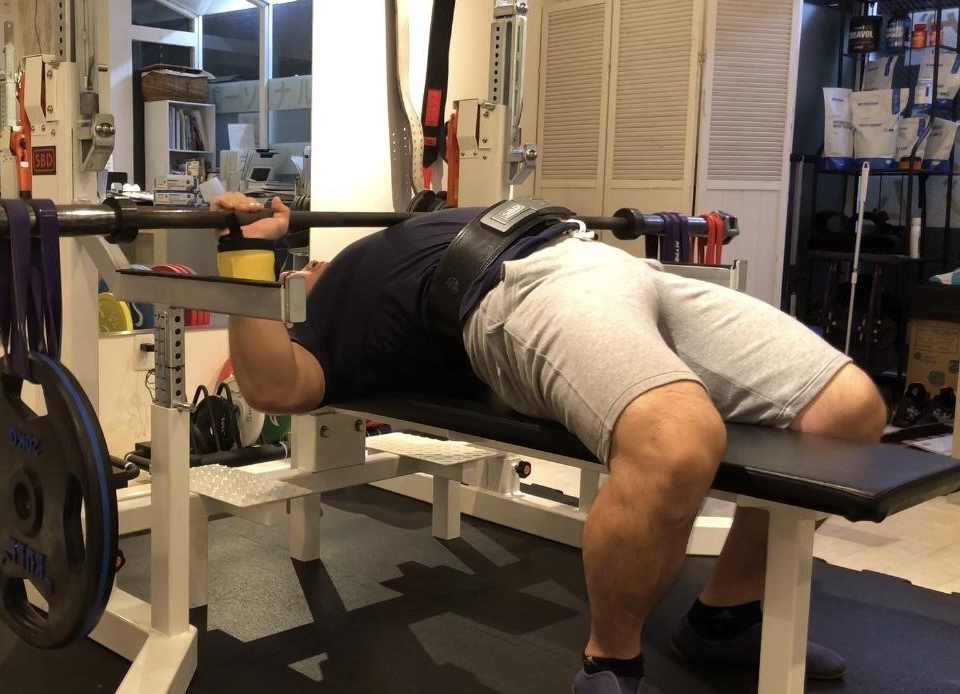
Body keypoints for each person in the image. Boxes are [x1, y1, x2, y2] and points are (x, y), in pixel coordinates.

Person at [211, 192, 886, 694]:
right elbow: (270, 384)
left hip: (599, 258)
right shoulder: (329, 327)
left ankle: (724, 620)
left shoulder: (375, 250)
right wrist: (251, 252)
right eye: (299, 271)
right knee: (677, 441)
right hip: (514, 289)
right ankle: (610, 666)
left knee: (850, 411)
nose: (314, 262)